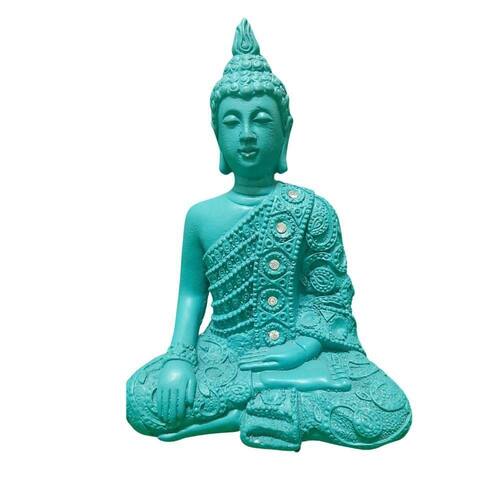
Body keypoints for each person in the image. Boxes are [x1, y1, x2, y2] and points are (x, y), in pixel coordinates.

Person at [126, 19, 412, 451]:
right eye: (231, 122)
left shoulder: (312, 210)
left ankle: (237, 413)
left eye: (260, 120)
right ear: (215, 134)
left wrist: (302, 348)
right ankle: (273, 400)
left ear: (286, 131)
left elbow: (329, 298)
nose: (246, 135)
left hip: (304, 354)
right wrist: (180, 359)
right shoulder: (200, 217)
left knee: (385, 409)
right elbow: (191, 296)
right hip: (224, 354)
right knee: (144, 397)